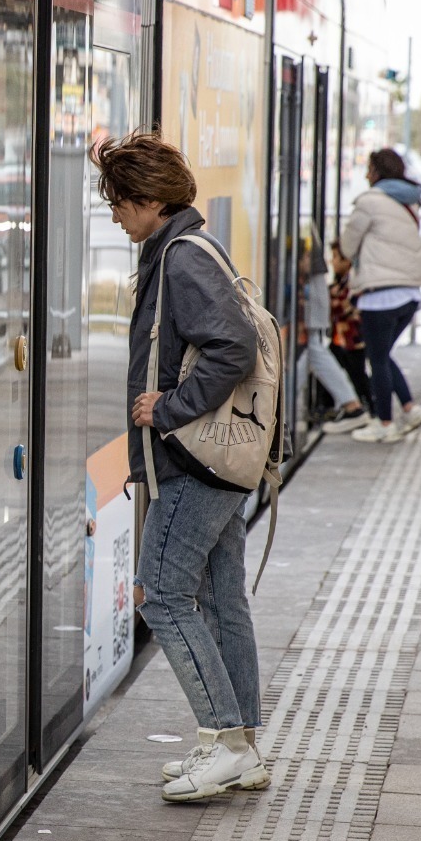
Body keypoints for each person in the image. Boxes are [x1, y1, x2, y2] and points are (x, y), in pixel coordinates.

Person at [95, 128, 269, 802]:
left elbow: (234, 346)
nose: (115, 215)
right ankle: (241, 746)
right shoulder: (189, 245)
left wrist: (170, 406)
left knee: (163, 594)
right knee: (222, 599)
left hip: (195, 461)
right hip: (218, 463)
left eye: (118, 202)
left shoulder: (181, 259)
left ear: (147, 200)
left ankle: (224, 739)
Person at [340, 148, 421, 444]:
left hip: (380, 295)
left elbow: (347, 246)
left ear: (377, 172)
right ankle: (411, 409)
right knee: (381, 355)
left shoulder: (370, 201)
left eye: (369, 169)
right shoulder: (408, 200)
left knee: (376, 360)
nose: (366, 175)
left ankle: (385, 423)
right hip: (409, 294)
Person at [297, 236, 370, 433]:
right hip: (322, 316)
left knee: (312, 350)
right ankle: (352, 406)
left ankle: (353, 407)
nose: (331, 261)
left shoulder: (334, 279)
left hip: (347, 336)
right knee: (311, 352)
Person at [328, 242, 373, 412]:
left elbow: (344, 307)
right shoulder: (342, 280)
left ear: (347, 261)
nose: (332, 262)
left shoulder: (352, 281)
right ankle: (364, 405)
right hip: (344, 337)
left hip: (353, 338)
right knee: (349, 371)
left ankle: (370, 407)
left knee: (357, 374)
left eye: (335, 257)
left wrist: (330, 298)